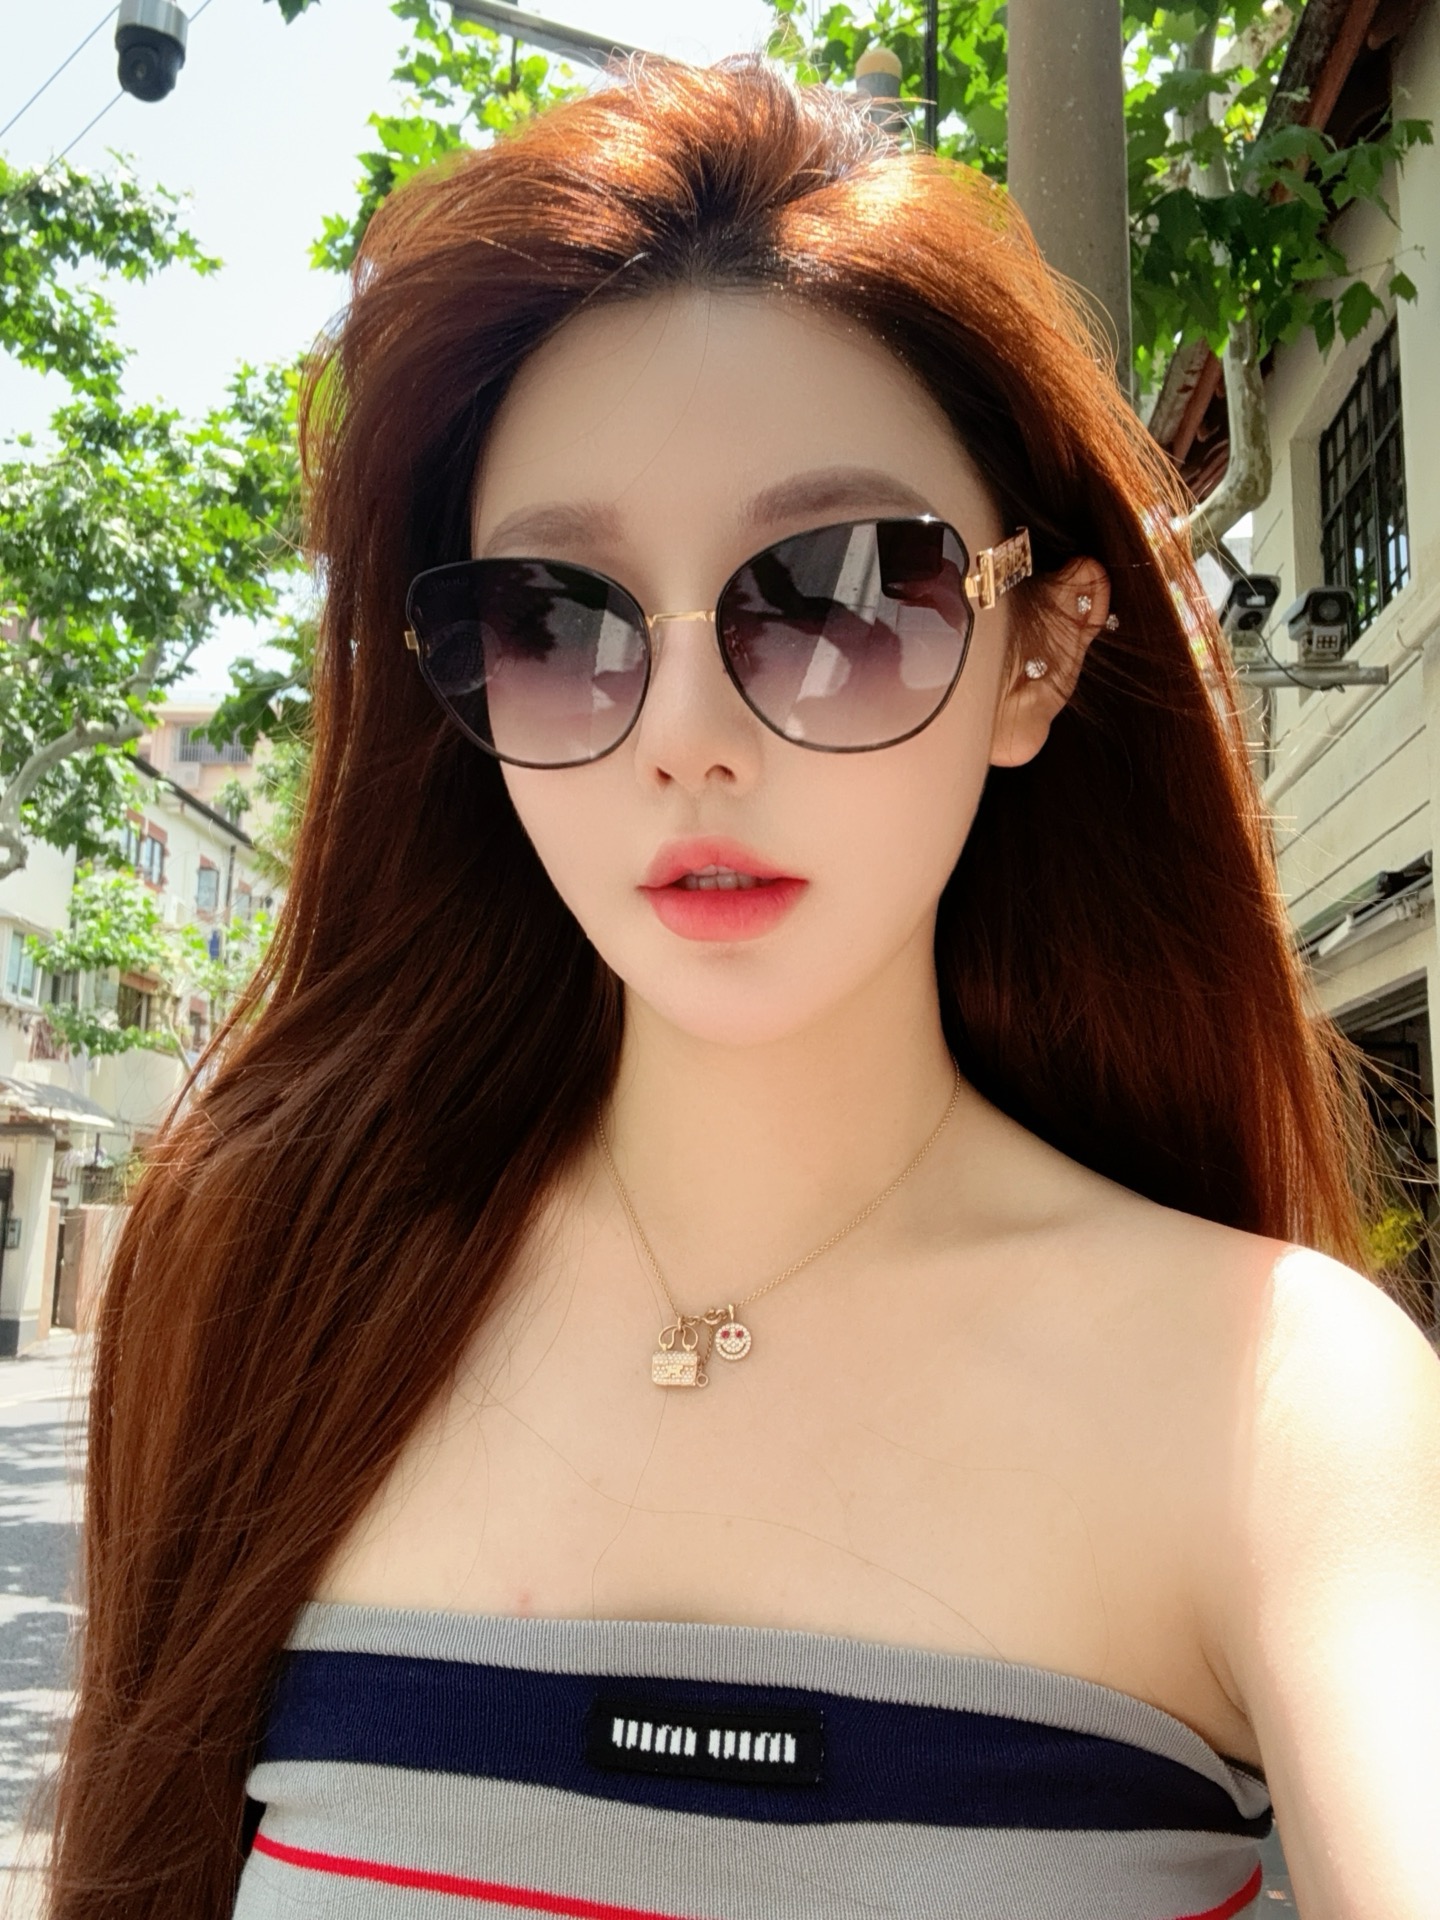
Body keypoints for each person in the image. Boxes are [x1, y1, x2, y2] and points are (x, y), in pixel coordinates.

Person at [46, 55, 1440, 1920]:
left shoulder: (1277, 1406)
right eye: (558, 617)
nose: (686, 734)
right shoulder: (279, 1281)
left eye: (841, 590)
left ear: (1038, 655)